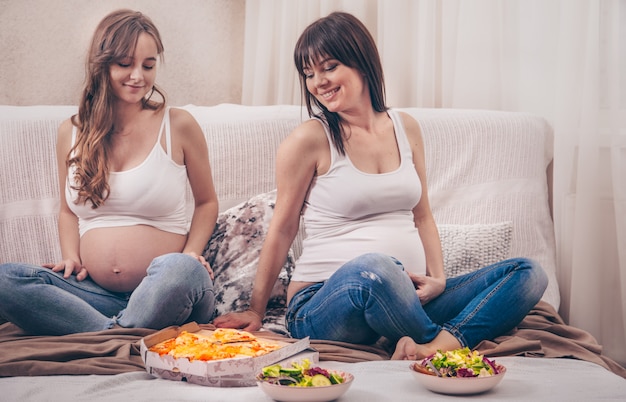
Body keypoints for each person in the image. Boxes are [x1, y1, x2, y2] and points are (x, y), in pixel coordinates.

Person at [213, 11, 548, 360]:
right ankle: (441, 339)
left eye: (328, 67)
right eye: (309, 74)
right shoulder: (309, 139)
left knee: (527, 273)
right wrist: (255, 309)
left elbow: (423, 216)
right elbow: (282, 228)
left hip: (408, 296)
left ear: (361, 62)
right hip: (325, 304)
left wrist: (439, 279)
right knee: (375, 267)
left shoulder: (406, 129)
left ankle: (435, 345)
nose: (318, 82)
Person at [0, 9, 219, 336]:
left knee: (181, 270)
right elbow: (67, 210)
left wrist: (191, 253)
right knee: (7, 279)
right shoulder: (71, 132)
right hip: (97, 296)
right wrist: (71, 256)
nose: (138, 76)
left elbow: (207, 202)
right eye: (125, 64)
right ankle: (123, 332)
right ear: (102, 65)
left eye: (148, 65)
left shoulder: (178, 125)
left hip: (167, 289)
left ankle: (102, 333)